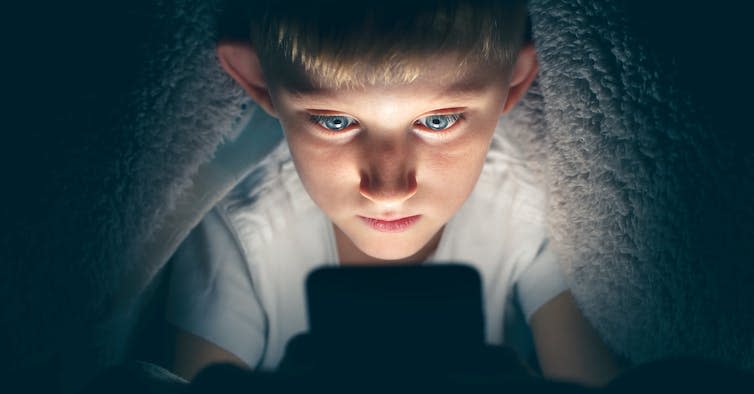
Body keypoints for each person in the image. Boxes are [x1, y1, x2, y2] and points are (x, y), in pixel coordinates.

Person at [165, 0, 624, 387]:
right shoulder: (240, 229)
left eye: (438, 121)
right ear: (260, 81)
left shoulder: (538, 209)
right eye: (336, 121)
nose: (388, 188)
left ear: (513, 82)